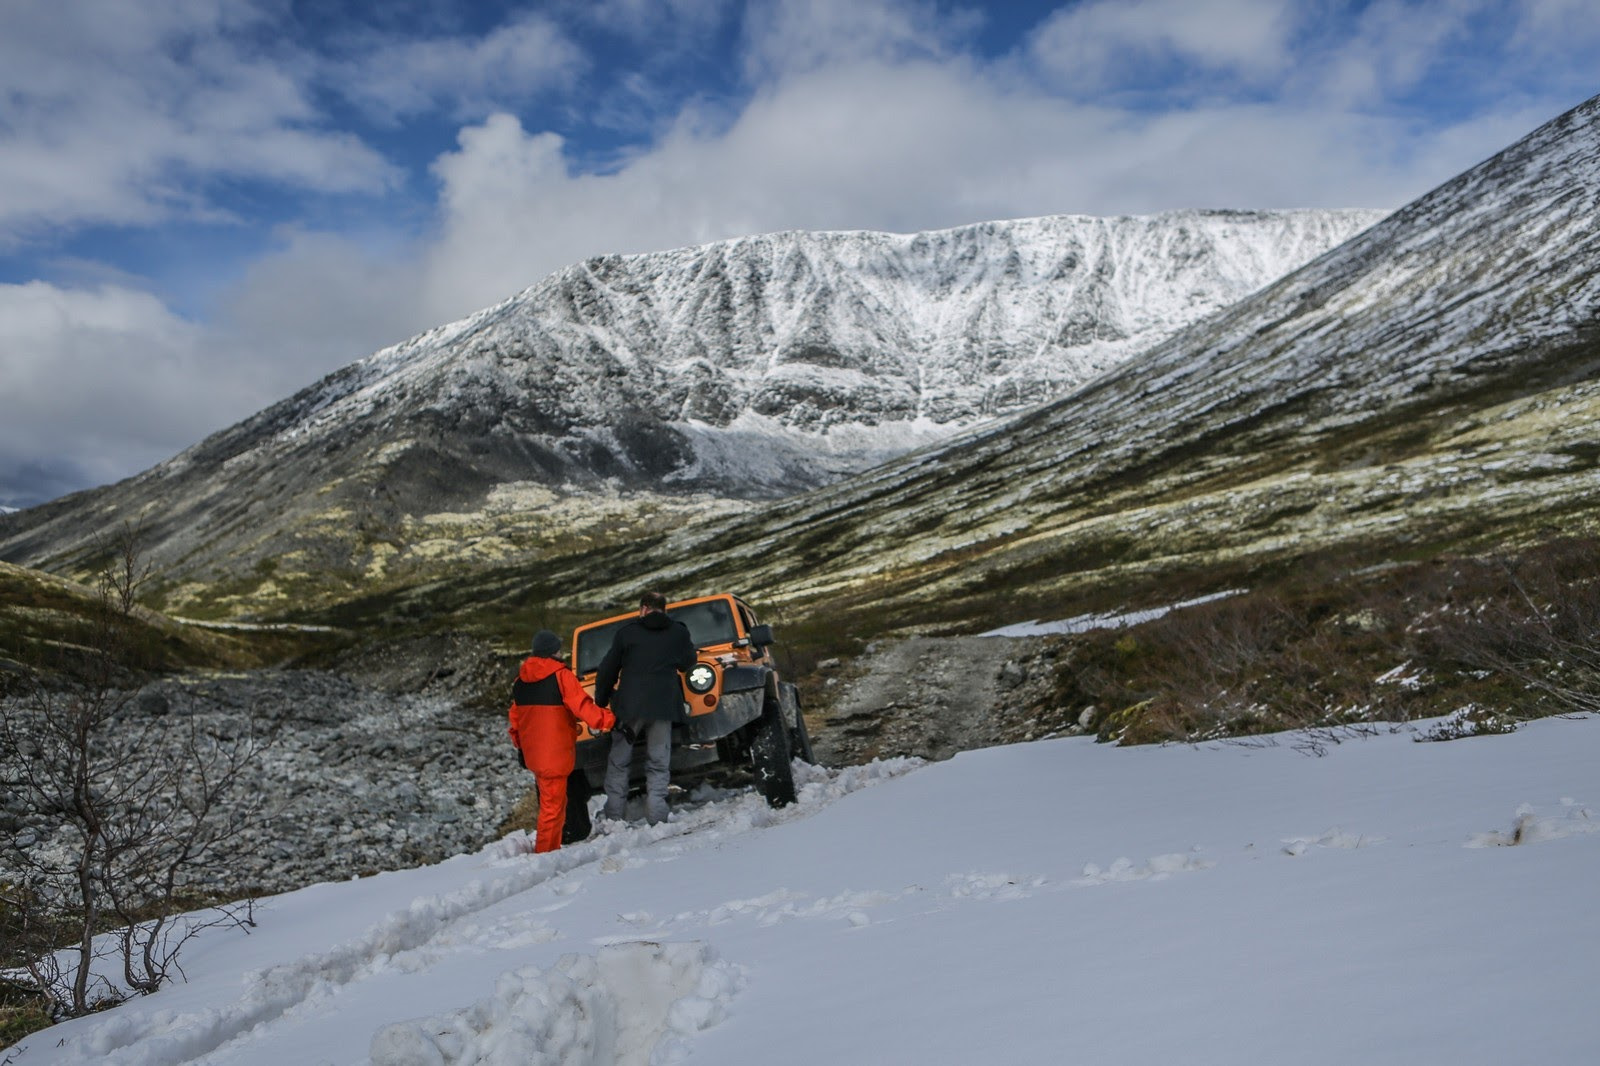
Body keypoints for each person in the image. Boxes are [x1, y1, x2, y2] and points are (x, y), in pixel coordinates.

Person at [595, 591, 698, 825]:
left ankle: (614, 818)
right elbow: (688, 663)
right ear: (665, 609)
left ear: (643, 609)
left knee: (619, 761)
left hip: (630, 708)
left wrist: (601, 701)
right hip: (664, 706)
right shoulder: (679, 631)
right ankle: (657, 816)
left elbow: (607, 670)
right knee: (658, 761)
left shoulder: (627, 633)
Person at [508, 629, 615, 853]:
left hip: (535, 755)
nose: (561, 652)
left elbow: (515, 721)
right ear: (552, 651)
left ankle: (551, 849)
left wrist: (521, 747)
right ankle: (544, 854)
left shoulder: (520, 682)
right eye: (558, 648)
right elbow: (583, 707)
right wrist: (610, 720)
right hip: (555, 753)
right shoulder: (560, 675)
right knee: (552, 808)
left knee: (554, 804)